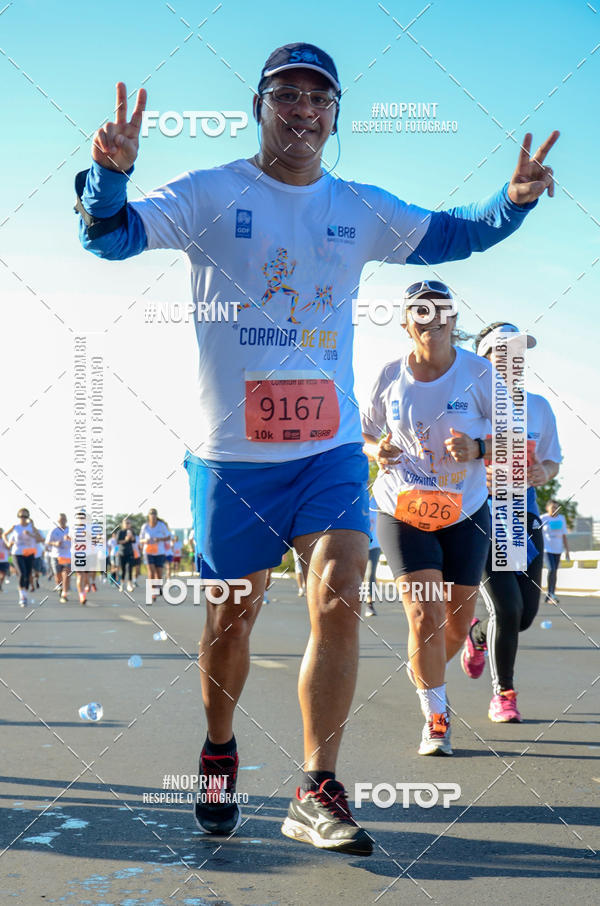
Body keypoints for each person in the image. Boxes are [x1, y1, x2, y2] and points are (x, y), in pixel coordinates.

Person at [76, 40, 557, 852]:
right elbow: (110, 237)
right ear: (259, 108)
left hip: (328, 452)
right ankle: (220, 746)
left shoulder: (358, 206)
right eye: (286, 97)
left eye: (319, 100)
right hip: (231, 461)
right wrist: (111, 176)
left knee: (339, 590)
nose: (303, 111)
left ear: (335, 118)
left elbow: (450, 235)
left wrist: (510, 203)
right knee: (232, 620)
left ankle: (316, 788)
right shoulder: (208, 192)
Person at [362, 281, 496, 756]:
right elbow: (366, 435)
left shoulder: (480, 373)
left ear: (454, 321)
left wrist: (478, 448)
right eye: (421, 313)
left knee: (455, 626)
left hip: (465, 509)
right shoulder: (387, 376)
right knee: (425, 613)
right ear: (406, 324)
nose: (432, 321)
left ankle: (430, 667)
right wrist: (378, 450)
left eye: (441, 312)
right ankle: (435, 716)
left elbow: (516, 439)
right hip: (403, 507)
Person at [461, 322, 562, 723]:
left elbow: (552, 460)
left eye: (519, 352)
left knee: (523, 616)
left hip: (524, 517)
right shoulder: (467, 403)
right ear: (485, 359)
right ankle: (504, 693)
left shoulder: (538, 406)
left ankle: (478, 635)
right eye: (503, 352)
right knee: (506, 606)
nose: (513, 360)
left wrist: (544, 474)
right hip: (484, 512)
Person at [4, 508, 44, 607]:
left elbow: (41, 539)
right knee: (22, 573)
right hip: (17, 553)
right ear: (18, 517)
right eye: (21, 516)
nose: (23, 518)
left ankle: (25, 594)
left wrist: (31, 534)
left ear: (28, 517)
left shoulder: (32, 527)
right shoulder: (15, 527)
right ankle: (22, 596)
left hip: (29, 553)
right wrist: (8, 543)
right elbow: (4, 535)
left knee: (28, 574)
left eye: (25, 516)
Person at [542, 500, 571, 604]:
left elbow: (564, 535)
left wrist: (567, 550)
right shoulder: (543, 518)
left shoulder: (561, 518)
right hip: (547, 549)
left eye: (557, 508)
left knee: (555, 571)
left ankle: (551, 594)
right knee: (552, 569)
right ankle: (550, 594)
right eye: (553, 507)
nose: (555, 510)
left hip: (558, 549)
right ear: (548, 508)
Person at [139, 508, 170, 603]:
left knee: (159, 574)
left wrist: (159, 539)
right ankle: (153, 591)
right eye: (151, 514)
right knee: (151, 572)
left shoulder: (161, 526)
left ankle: (158, 586)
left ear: (156, 516)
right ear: (148, 516)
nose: (153, 516)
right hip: (148, 552)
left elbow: (169, 537)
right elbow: (140, 540)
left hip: (159, 552)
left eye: (154, 514)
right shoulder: (145, 526)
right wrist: (146, 541)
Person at [47, 514, 71, 603]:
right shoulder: (53, 530)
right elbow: (48, 542)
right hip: (56, 555)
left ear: (66, 520)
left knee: (66, 574)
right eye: (61, 520)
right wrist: (55, 543)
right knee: (58, 576)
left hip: (67, 555)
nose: (62, 521)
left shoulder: (70, 530)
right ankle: (60, 587)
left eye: (64, 519)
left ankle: (64, 594)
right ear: (58, 521)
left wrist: (70, 538)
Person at [364, 501, 381, 618]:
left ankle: (369, 604)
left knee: (370, 574)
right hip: (358, 544)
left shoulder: (375, 501)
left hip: (374, 545)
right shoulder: (357, 497)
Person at [116, 517, 136, 592]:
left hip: (130, 552)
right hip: (122, 553)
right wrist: (126, 540)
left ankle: (129, 584)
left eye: (129, 523)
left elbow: (134, 541)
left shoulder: (132, 531)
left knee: (130, 568)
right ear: (123, 524)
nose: (128, 524)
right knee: (123, 570)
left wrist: (131, 537)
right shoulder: (120, 532)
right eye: (126, 523)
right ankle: (121, 584)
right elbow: (118, 541)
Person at [0, 528, 11, 592]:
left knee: (3, 574)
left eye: (1, 533)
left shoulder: (5, 540)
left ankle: (0, 585)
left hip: (4, 560)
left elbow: (9, 547)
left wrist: (6, 543)